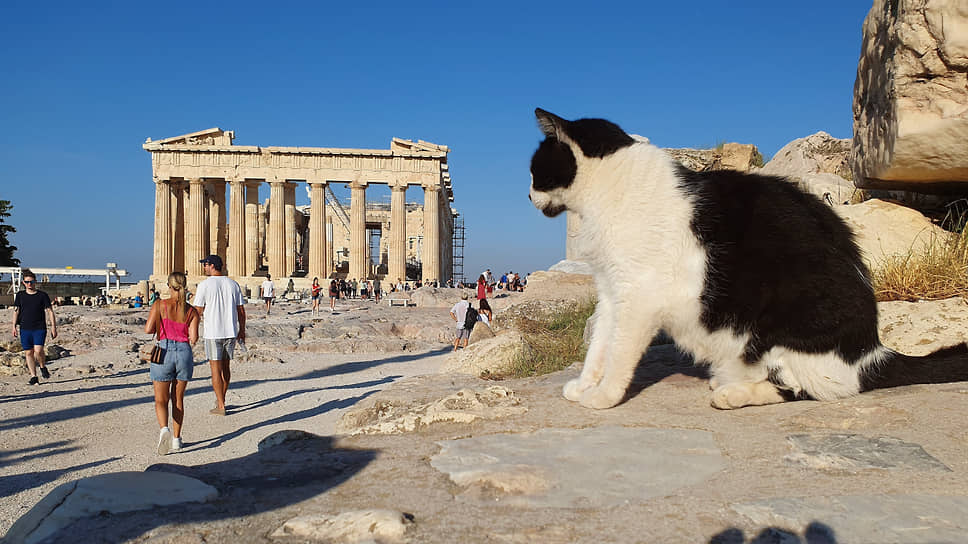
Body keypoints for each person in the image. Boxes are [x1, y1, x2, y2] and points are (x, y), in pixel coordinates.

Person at [144, 271, 199, 455]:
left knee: (161, 399)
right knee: (178, 399)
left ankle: (164, 429)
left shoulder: (160, 305)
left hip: (164, 351)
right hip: (184, 353)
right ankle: (176, 439)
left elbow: (148, 329)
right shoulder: (191, 311)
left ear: (169, 286)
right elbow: (194, 338)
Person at [193, 255, 246, 416]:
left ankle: (221, 404)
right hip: (230, 332)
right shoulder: (233, 284)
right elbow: (241, 311)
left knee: (215, 370)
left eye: (205, 264)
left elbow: (197, 311)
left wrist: (192, 331)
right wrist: (242, 330)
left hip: (213, 333)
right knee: (226, 368)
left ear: (212, 265)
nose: (204, 267)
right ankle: (221, 398)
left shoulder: (204, 285)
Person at [11, 270, 57, 385]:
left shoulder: (42, 295)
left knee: (38, 351)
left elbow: (50, 311)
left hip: (39, 327)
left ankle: (42, 366)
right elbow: (16, 311)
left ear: (35, 282)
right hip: (24, 328)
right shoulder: (20, 295)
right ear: (23, 282)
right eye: (27, 282)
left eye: (31, 282)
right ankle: (33, 376)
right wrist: (13, 326)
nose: (29, 284)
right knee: (28, 352)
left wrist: (53, 327)